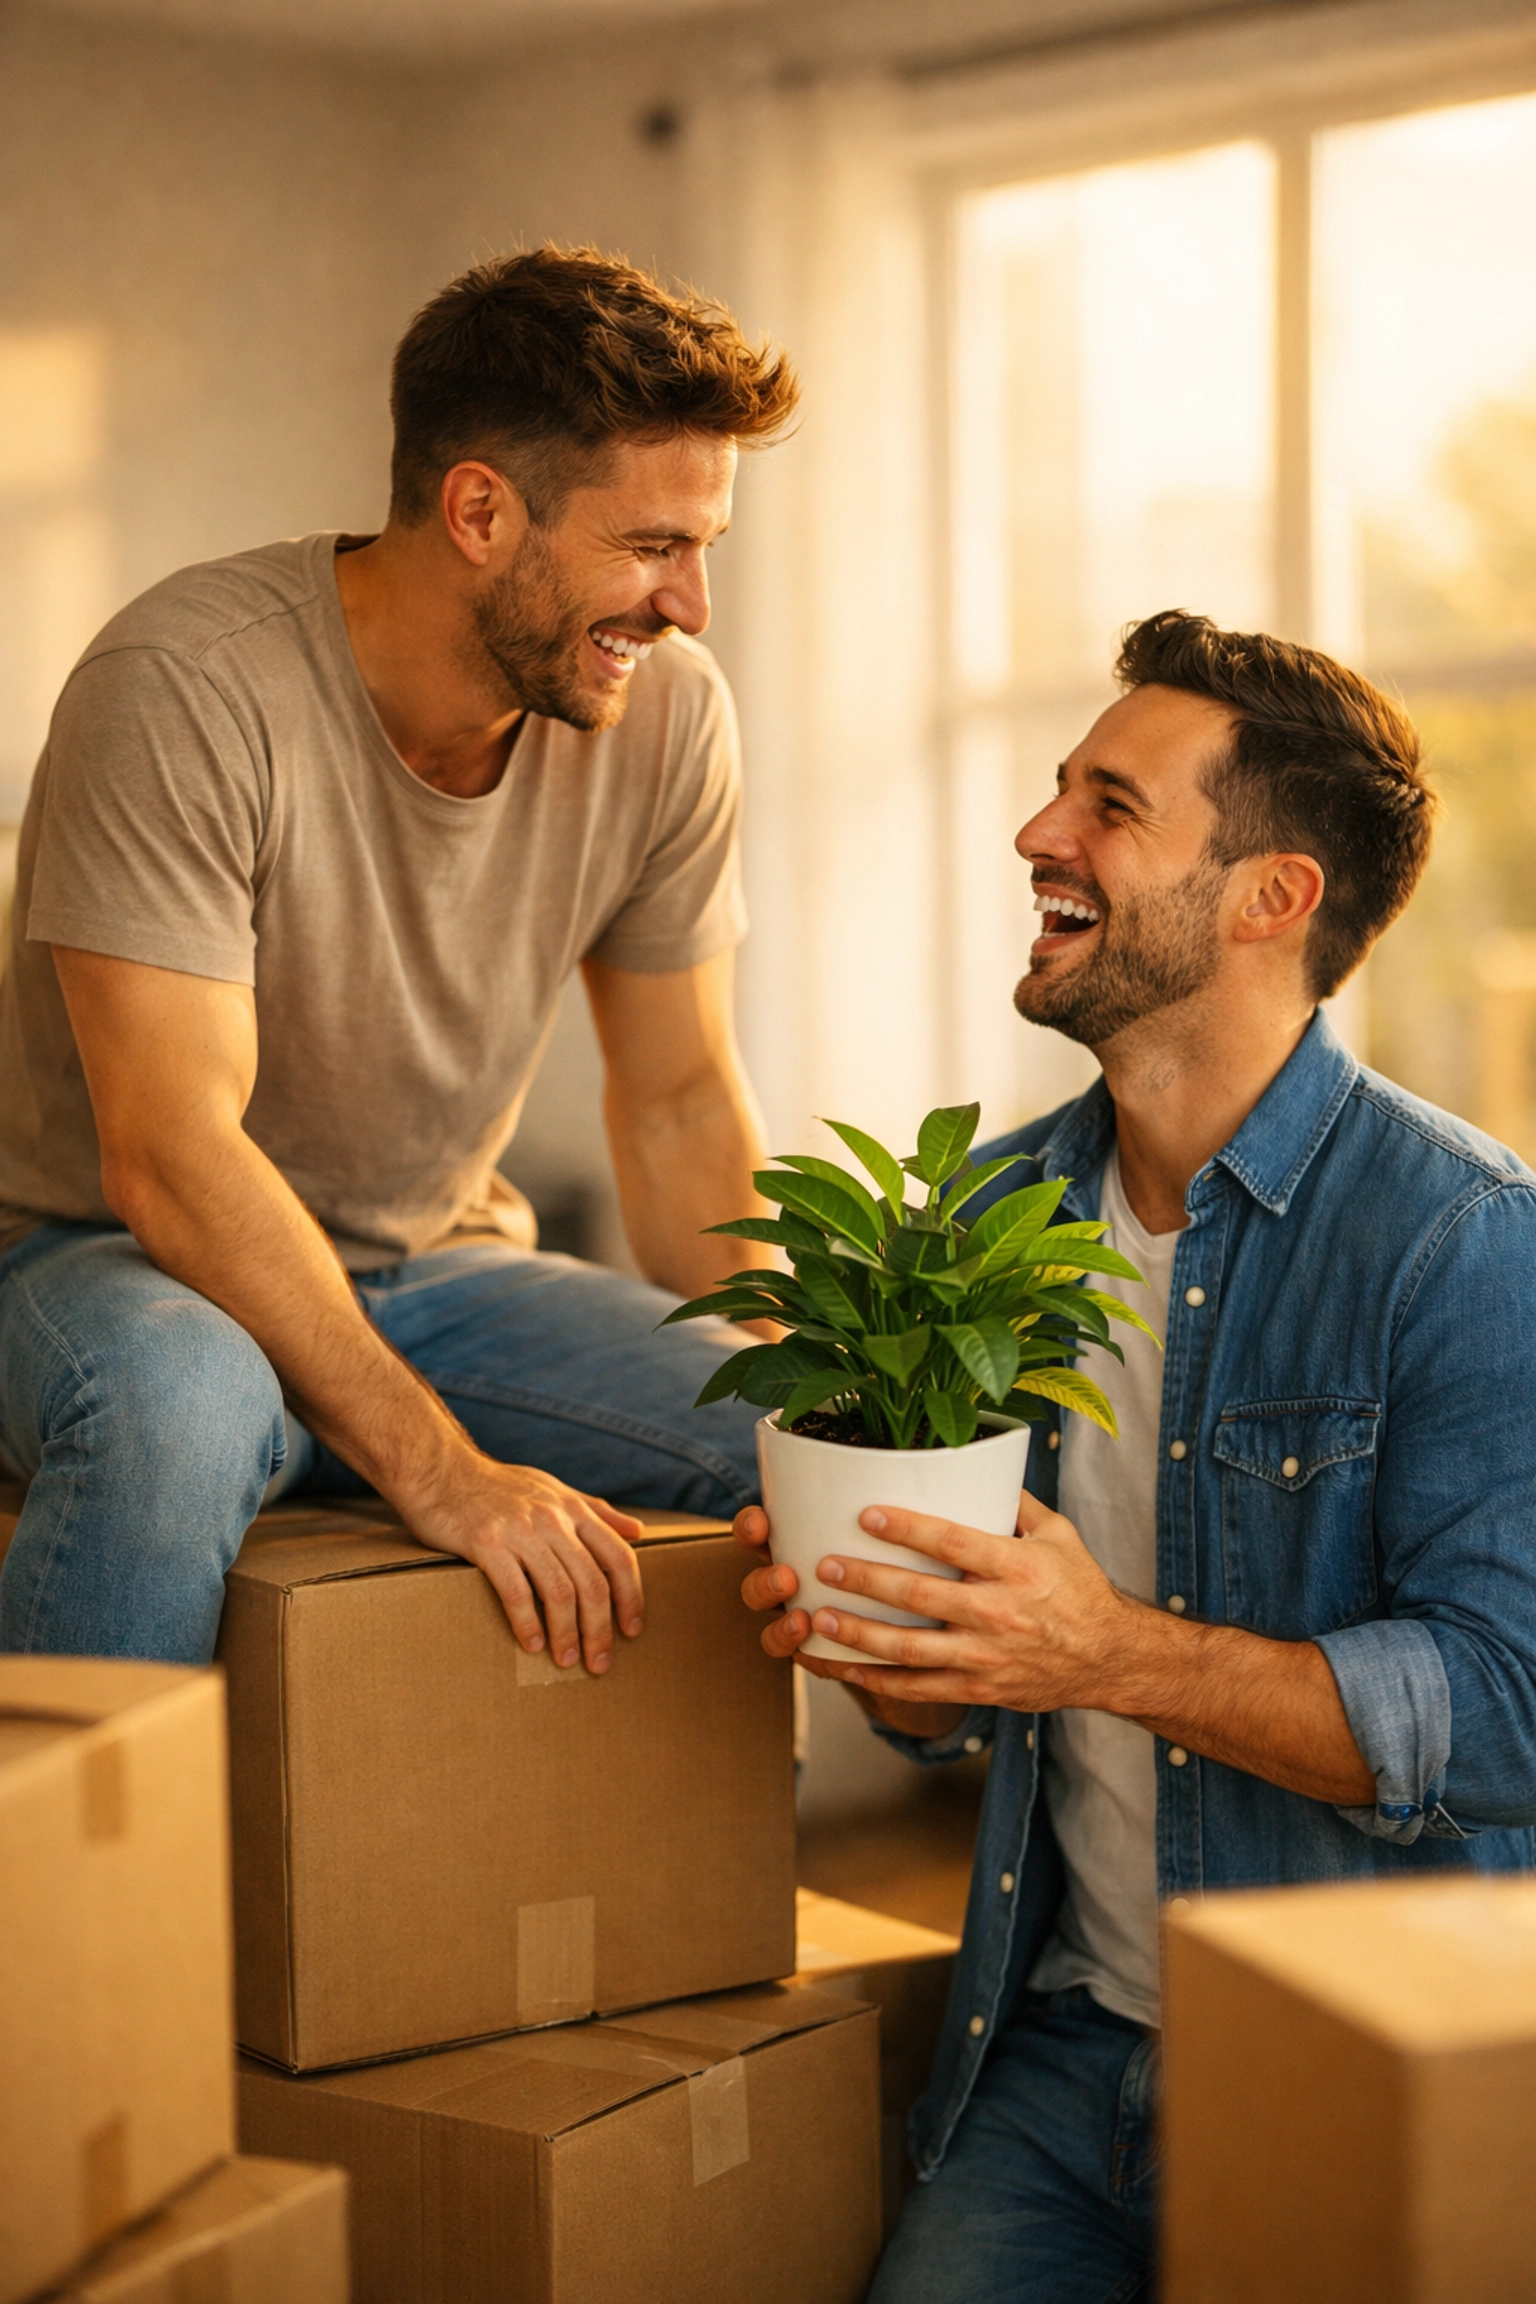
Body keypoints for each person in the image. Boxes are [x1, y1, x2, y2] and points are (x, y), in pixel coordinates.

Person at [737, 610, 1536, 2303]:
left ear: (1273, 898)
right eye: (1054, 792)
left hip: (1353, 2058)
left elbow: (1507, 1711)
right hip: (1067, 2042)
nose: (1039, 835)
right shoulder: (983, 1217)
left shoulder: (1467, 1239)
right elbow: (960, 1714)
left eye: (1111, 804)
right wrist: (901, 1650)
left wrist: (1107, 1651)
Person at [0, 246, 799, 1669]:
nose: (689, 608)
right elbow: (172, 1154)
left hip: (435, 1271)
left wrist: (831, 1404)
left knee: (797, 1445)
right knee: (174, 1412)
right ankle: (78, 1892)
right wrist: (443, 1472)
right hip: (108, 1255)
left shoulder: (668, 717)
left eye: (703, 552)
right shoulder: (185, 686)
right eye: (651, 547)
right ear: (480, 510)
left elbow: (677, 1101)